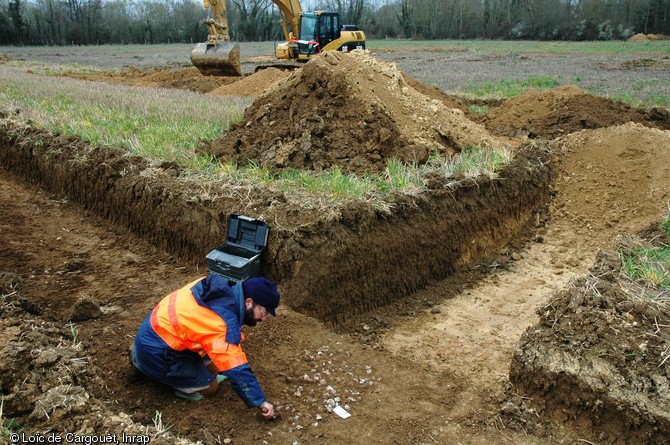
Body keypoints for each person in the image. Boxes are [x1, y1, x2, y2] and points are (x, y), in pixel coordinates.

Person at [130, 273, 280, 419]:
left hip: (154, 335)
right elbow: (236, 368)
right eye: (263, 312)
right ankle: (175, 384)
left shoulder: (212, 285)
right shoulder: (221, 324)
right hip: (155, 354)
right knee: (211, 387)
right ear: (248, 302)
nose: (264, 318)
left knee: (215, 367)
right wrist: (260, 401)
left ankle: (162, 365)